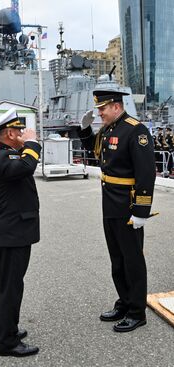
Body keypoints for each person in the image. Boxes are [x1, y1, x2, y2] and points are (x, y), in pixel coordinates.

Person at [77, 89, 155, 333]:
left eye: (102, 109)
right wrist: (85, 129)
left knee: (132, 260)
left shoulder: (136, 130)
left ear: (116, 107)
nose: (99, 113)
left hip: (128, 206)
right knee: (117, 259)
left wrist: (142, 210)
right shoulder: (109, 129)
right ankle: (125, 301)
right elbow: (97, 152)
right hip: (110, 204)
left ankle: (137, 312)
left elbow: (146, 173)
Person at [0, 108, 41, 357]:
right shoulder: (2, 157)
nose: (21, 133)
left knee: (5, 285)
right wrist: (32, 142)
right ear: (9, 133)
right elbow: (27, 166)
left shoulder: (2, 155)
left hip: (8, 232)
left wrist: (24, 144)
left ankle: (3, 331)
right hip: (11, 233)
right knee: (10, 287)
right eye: (18, 130)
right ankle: (7, 342)